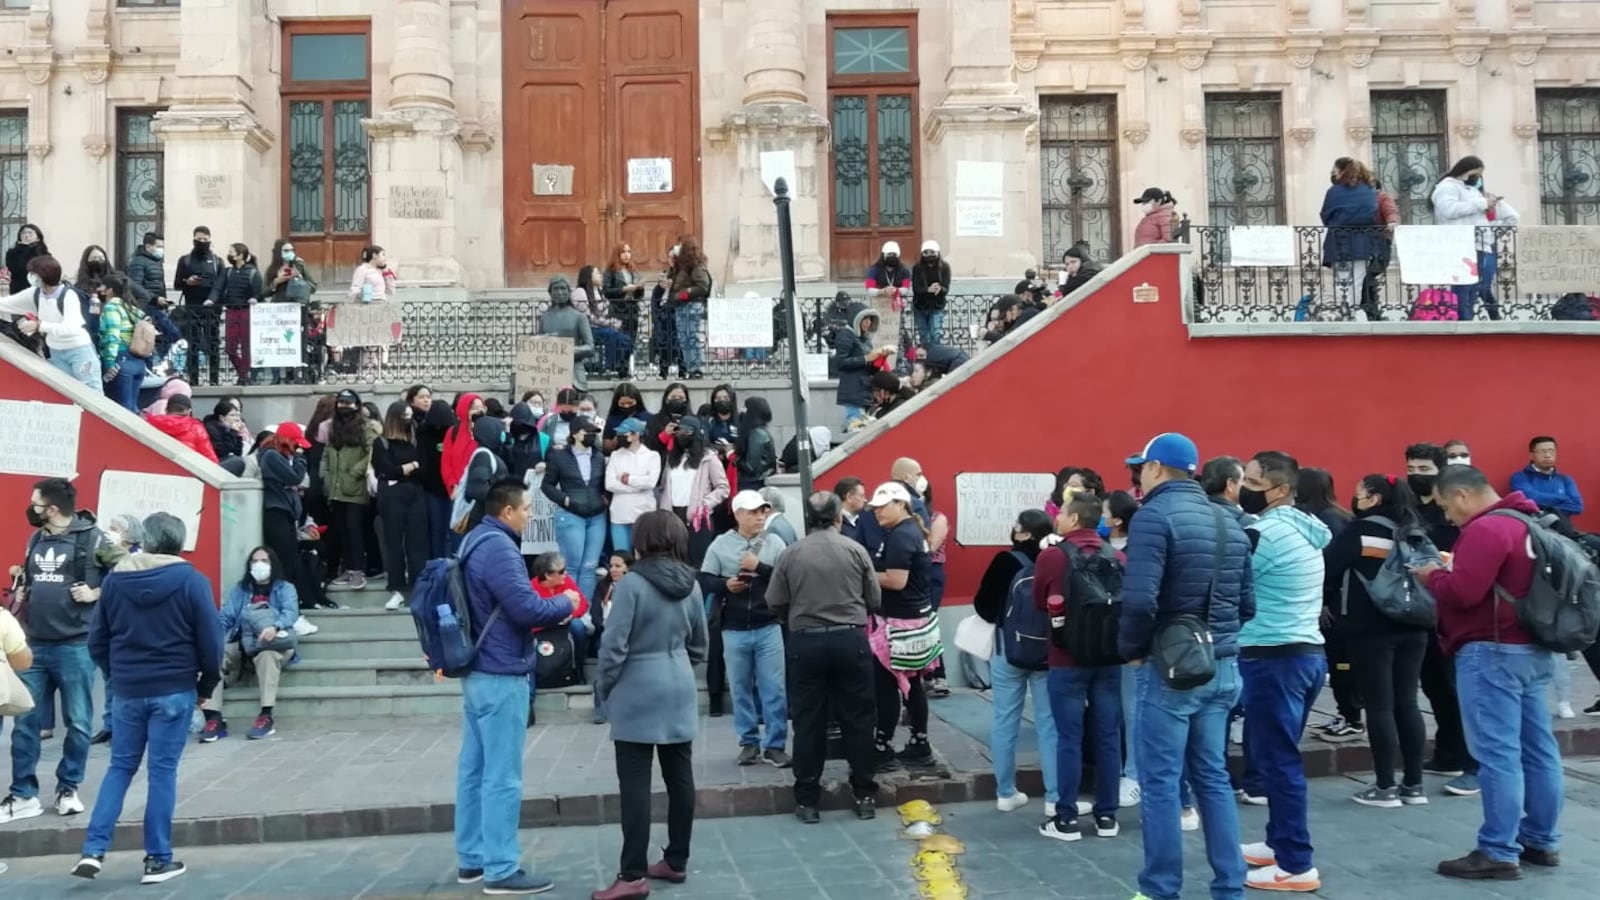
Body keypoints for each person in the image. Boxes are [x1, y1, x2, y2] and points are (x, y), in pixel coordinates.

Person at [1117, 432, 1254, 900]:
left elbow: (1138, 601)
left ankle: (1160, 890)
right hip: (1224, 664)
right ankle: (1230, 886)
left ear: (1155, 469)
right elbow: (1247, 603)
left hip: (1172, 668)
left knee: (1160, 782)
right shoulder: (1228, 520)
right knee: (1212, 776)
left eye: (1141, 468)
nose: (1138, 476)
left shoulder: (1153, 517)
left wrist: (1132, 648)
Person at [1414, 466, 1563, 881]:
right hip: (1533, 647)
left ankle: (1498, 849)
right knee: (1539, 749)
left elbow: (1462, 593)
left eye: (1446, 506)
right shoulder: (1529, 522)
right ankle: (1542, 839)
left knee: (1497, 754)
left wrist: (1433, 576)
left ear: (1462, 495)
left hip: (1491, 649)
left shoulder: (1487, 530)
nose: (1448, 517)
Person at [69, 512, 219, 886]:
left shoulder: (116, 582)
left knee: (119, 769)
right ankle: (157, 859)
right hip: (173, 688)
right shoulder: (192, 581)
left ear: (147, 540)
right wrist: (205, 686)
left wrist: (116, 675)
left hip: (128, 690)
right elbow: (211, 643)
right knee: (162, 773)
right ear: (179, 542)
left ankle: (93, 850)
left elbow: (97, 640)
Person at [454, 480, 575, 894]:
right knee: (502, 777)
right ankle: (501, 869)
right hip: (502, 672)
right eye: (525, 509)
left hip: (479, 671)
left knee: (474, 771)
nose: (529, 515)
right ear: (507, 511)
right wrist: (567, 604)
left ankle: (472, 859)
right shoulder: (500, 548)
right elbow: (527, 608)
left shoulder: (473, 540)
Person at [591, 511, 707, 899]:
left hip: (637, 687)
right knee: (680, 778)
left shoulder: (632, 585)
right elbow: (699, 646)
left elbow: (613, 647)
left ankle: (632, 874)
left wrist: (604, 689)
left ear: (642, 540)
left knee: (636, 786)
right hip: (678, 681)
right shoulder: (690, 584)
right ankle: (676, 860)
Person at [1236, 450, 1331, 892]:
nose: (1244, 488)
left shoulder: (1266, 534)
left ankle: (1295, 864)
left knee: (1278, 762)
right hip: (1304, 653)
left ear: (1278, 489)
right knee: (1279, 755)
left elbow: (1232, 585)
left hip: (1275, 658)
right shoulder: (1301, 527)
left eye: (1252, 481)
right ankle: (1279, 843)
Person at [1, 478, 110, 826]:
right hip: (34, 643)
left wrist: (95, 593)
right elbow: (32, 582)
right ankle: (22, 794)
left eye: (35, 503)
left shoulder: (93, 538)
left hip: (75, 645)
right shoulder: (36, 538)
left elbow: (124, 571)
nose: (30, 508)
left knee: (78, 723)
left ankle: (68, 788)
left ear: (51, 508)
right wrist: (21, 582)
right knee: (24, 723)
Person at [767, 491, 881, 823]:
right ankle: (863, 794)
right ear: (838, 518)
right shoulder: (856, 550)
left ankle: (807, 801)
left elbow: (775, 600)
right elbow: (873, 598)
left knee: (807, 722)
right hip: (850, 638)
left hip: (806, 642)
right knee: (859, 720)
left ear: (807, 518)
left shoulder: (791, 554)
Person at [1327, 474, 1431, 808]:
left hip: (1370, 628)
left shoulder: (1360, 531)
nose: (1354, 498)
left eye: (1359, 493)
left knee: (1379, 705)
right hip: (1415, 624)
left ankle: (1385, 786)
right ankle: (1414, 785)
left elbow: (1328, 568)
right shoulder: (1415, 530)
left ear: (1372, 498)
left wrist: (1327, 605)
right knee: (1408, 703)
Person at [1035, 496, 1120, 841]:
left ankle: (1066, 817)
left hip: (1066, 657)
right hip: (1108, 657)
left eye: (1062, 514)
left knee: (1068, 736)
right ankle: (1107, 817)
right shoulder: (1116, 556)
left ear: (1072, 519)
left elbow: (1040, 601)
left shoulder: (1053, 556)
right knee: (1109, 736)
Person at [970, 509, 1059, 821]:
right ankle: (1054, 796)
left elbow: (982, 606)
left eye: (1017, 527)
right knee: (1049, 723)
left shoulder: (1005, 562)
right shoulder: (1057, 558)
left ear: (1024, 534)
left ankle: (1006, 792)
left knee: (1005, 720)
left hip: (1008, 650)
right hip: (1048, 653)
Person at [698, 491, 790, 766]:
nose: (760, 517)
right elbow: (704, 579)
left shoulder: (775, 542)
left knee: (774, 688)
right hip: (733, 627)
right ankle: (748, 742)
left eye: (762, 511)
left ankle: (775, 745)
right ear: (738, 514)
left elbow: (787, 579)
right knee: (740, 688)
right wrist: (725, 585)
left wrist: (758, 567)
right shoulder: (720, 544)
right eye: (753, 512)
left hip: (768, 624)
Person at [866, 482, 939, 770]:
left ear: (900, 504)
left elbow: (896, 581)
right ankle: (920, 742)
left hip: (899, 623)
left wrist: (866, 572)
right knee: (914, 685)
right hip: (917, 619)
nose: (877, 512)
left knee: (886, 686)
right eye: (874, 508)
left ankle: (882, 746)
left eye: (883, 506)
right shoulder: (909, 531)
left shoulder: (900, 536)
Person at [204, 546, 299, 742]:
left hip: (272, 642)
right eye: (254, 561)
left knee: (267, 656)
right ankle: (213, 718)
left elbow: (290, 613)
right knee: (213, 657)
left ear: (273, 564)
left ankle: (266, 715)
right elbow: (227, 617)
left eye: (264, 561)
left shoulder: (285, 588)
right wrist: (213, 636)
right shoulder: (240, 589)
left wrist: (275, 626)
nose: (259, 565)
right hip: (241, 642)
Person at [0, 255, 102, 389]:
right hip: (56, 352)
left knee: (91, 391)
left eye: (33, 273)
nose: (30, 276)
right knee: (64, 392)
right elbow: (6, 304)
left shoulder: (68, 296)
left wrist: (40, 326)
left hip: (78, 350)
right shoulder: (35, 294)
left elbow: (71, 328)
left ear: (44, 274)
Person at [543, 419, 609, 602]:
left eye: (594, 432)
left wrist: (604, 500)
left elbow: (603, 484)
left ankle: (585, 613)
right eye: (587, 432)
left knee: (589, 566)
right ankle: (570, 610)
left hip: (596, 515)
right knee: (571, 566)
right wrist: (565, 499)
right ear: (575, 433)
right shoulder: (559, 457)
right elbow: (546, 485)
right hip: (571, 513)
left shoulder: (598, 457)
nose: (592, 435)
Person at [321, 390, 380, 590]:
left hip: (355, 488)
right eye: (341, 403)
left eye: (349, 403)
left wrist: (358, 470)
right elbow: (327, 455)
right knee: (341, 530)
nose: (344, 406)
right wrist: (327, 477)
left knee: (355, 529)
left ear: (357, 405)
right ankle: (348, 568)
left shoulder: (367, 428)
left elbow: (374, 451)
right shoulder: (332, 428)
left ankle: (358, 570)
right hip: (336, 489)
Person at [372, 401, 428, 611]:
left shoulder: (415, 442)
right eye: (405, 415)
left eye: (410, 415)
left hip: (415, 493)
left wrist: (405, 469)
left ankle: (418, 588)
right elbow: (386, 470)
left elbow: (423, 469)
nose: (409, 419)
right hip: (392, 495)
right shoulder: (382, 443)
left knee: (417, 543)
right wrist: (410, 466)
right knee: (394, 542)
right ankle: (396, 589)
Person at [1320, 157, 1381, 317]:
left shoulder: (1333, 191)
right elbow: (1371, 214)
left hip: (1338, 239)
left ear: (1341, 171)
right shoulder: (1369, 191)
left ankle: (1342, 312)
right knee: (1357, 280)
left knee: (1340, 280)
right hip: (1362, 240)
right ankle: (1352, 312)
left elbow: (1325, 215)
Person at [604, 418, 659, 554]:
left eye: (625, 434)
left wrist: (628, 479)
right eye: (620, 434)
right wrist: (637, 487)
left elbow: (651, 482)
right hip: (619, 514)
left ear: (636, 435)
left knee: (643, 555)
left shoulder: (652, 456)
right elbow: (610, 484)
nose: (621, 437)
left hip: (643, 513)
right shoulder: (616, 455)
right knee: (622, 555)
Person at [665, 235, 712, 379]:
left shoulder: (696, 265)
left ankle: (696, 368)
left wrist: (683, 295)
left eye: (680, 244)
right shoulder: (681, 266)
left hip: (691, 305)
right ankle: (690, 367)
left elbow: (702, 286)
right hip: (681, 307)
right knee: (684, 339)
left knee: (692, 337)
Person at [537, 275, 597, 390]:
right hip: (548, 372)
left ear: (569, 292)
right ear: (550, 292)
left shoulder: (579, 317)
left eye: (563, 288)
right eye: (556, 289)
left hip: (573, 370)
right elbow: (537, 346)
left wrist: (566, 350)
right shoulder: (544, 318)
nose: (559, 292)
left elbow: (590, 347)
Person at [1510, 435, 1584, 518]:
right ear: (1532, 455)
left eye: (1551, 451)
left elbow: (1577, 507)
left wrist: (1541, 509)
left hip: (1561, 528)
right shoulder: (1520, 477)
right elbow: (1531, 497)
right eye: (1543, 451)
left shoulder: (1565, 480)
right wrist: (1563, 498)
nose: (1548, 455)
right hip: (1532, 527)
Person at [910, 239, 951, 347]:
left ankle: (935, 359)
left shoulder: (944, 267)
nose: (929, 255)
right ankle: (925, 359)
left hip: (937, 306)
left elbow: (946, 287)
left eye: (932, 252)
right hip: (920, 306)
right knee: (924, 336)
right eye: (926, 252)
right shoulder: (917, 268)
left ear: (937, 253)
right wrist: (928, 290)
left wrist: (940, 289)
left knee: (935, 335)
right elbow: (916, 289)